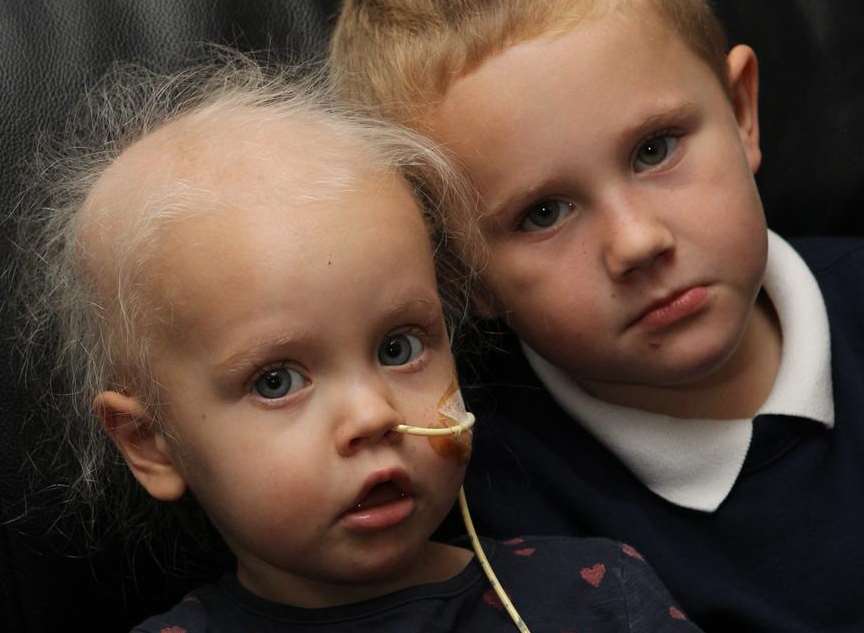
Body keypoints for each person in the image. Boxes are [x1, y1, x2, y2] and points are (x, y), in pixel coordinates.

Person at [14, 57, 702, 632]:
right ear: (150, 441)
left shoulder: (595, 597)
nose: (373, 414)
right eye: (277, 380)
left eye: (401, 347)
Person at [328, 1, 864, 631]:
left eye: (654, 149)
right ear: (461, 276)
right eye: (544, 213)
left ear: (742, 111)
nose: (636, 242)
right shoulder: (474, 496)